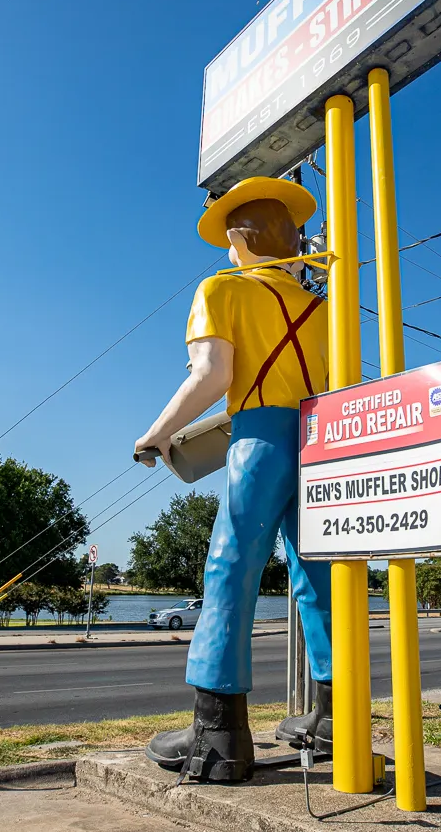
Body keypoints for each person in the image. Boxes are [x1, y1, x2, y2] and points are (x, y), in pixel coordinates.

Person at [134, 176, 333, 782]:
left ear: (241, 243)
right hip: (323, 437)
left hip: (261, 439)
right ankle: (332, 720)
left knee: (231, 567)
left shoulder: (222, 289)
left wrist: (158, 432)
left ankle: (218, 732)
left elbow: (213, 373)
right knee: (319, 574)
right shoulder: (323, 305)